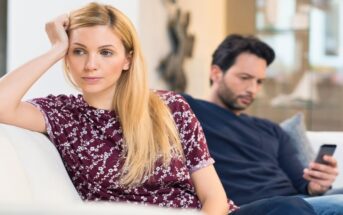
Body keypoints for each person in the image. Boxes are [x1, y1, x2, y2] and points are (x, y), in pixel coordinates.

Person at [0, 3, 316, 215]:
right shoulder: (62, 114)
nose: (91, 64)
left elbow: (213, 196)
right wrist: (55, 48)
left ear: (127, 59)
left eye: (106, 52)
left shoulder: (168, 107)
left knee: (291, 208)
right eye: (78, 51)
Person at [182, 34, 343, 215]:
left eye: (259, 81)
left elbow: (302, 183)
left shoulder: (272, 129)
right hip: (250, 207)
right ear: (216, 73)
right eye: (244, 77)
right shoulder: (188, 111)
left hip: (298, 203)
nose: (253, 89)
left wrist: (316, 185)